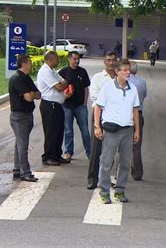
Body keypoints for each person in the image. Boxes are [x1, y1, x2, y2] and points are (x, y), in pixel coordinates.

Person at [94, 60, 140, 204]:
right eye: (125, 70)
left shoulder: (133, 89)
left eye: (129, 70)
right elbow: (98, 107)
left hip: (127, 130)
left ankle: (120, 190)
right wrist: (97, 126)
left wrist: (137, 130)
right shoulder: (107, 87)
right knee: (106, 162)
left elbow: (135, 110)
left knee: (125, 163)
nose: (128, 72)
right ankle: (104, 191)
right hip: (112, 130)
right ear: (117, 72)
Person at [87, 51, 117, 190]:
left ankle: (104, 179)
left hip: (115, 118)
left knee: (110, 150)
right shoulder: (98, 78)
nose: (111, 62)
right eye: (108, 60)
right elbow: (95, 97)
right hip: (100, 115)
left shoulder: (120, 78)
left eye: (113, 60)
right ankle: (92, 180)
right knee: (96, 148)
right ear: (104, 62)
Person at [8, 54, 41, 182]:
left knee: (19, 143)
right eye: (30, 62)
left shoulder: (26, 78)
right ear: (24, 63)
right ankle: (25, 173)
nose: (32, 64)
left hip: (27, 114)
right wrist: (31, 94)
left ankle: (17, 169)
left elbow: (38, 94)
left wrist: (31, 94)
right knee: (23, 145)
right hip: (19, 116)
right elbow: (29, 97)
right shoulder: (17, 79)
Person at [37, 51, 69, 166]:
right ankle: (48, 157)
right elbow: (60, 86)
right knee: (51, 131)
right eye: (56, 59)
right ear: (50, 59)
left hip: (57, 105)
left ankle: (56, 155)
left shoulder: (52, 71)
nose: (58, 61)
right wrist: (63, 85)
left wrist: (63, 84)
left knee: (59, 131)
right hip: (49, 105)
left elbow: (64, 81)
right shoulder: (45, 72)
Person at [59, 51, 91, 160]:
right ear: (69, 59)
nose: (77, 61)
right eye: (74, 59)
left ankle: (90, 152)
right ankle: (68, 152)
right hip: (67, 106)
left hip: (80, 106)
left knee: (85, 131)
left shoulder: (83, 72)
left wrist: (85, 103)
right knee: (68, 130)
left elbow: (86, 88)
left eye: (78, 59)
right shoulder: (63, 72)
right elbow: (59, 89)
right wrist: (64, 96)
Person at [128, 61, 147, 180]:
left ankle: (120, 171)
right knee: (136, 145)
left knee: (121, 145)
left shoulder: (123, 82)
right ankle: (137, 173)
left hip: (124, 115)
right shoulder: (142, 83)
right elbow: (144, 97)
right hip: (138, 114)